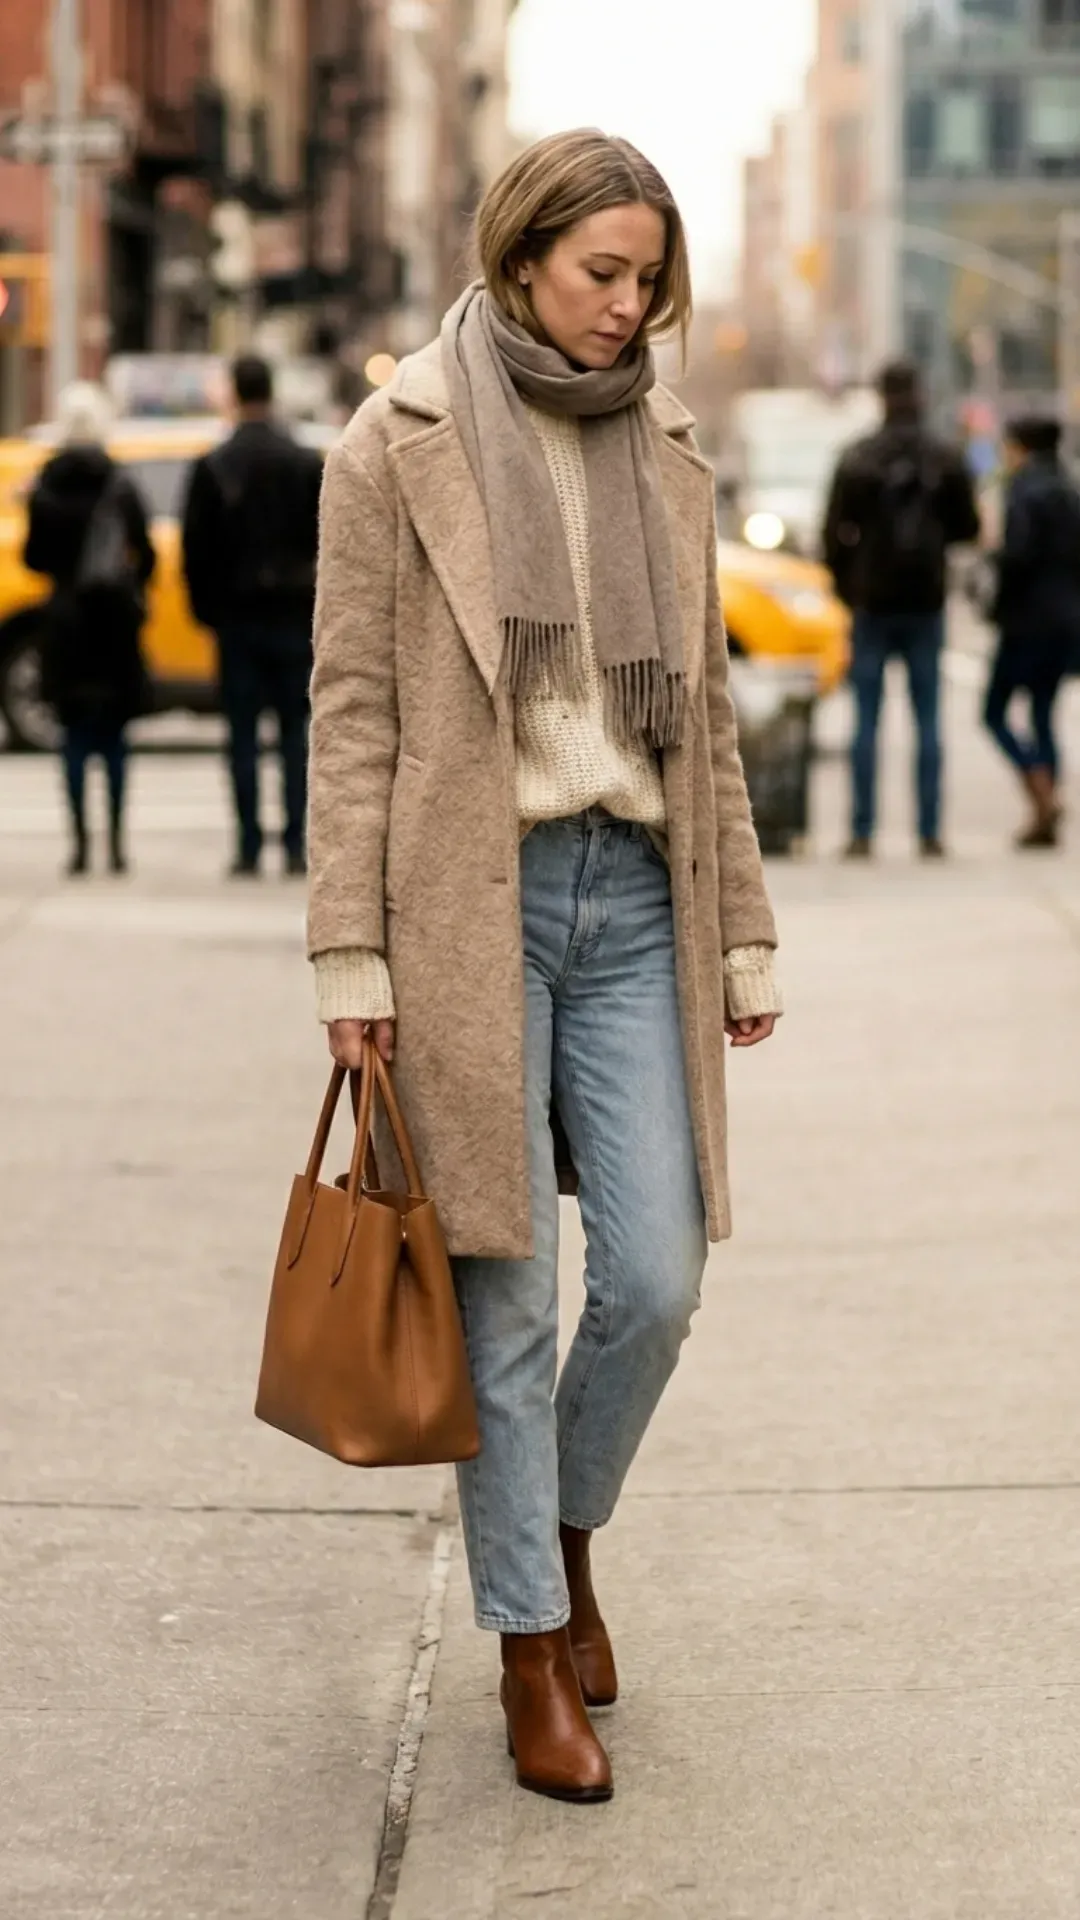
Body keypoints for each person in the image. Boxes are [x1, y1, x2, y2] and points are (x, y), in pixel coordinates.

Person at [306, 129, 781, 1803]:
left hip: (635, 893)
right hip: (471, 906)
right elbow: (352, 711)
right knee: (505, 1297)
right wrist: (349, 954)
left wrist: (740, 922)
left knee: (655, 1280)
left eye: (650, 279)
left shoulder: (662, 438)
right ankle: (528, 1648)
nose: (628, 307)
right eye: (602, 274)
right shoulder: (395, 443)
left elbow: (705, 701)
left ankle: (565, 1539)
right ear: (519, 260)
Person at [822, 360, 980, 859]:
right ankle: (929, 831)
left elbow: (833, 533)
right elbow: (968, 528)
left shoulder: (858, 456)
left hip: (872, 603)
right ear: (921, 394)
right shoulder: (945, 456)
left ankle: (862, 830)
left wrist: (849, 586)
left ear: (880, 395)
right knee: (928, 718)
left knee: (865, 720)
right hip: (925, 601)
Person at [181, 355, 323, 877]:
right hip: (293, 616)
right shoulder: (304, 461)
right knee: (294, 734)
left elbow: (195, 549)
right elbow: (328, 541)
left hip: (238, 617)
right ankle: (292, 843)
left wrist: (207, 612)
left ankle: (246, 844)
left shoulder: (215, 464)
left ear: (236, 395)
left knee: (241, 735)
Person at [24, 382, 154, 877]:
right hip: (114, 624)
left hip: (65, 624)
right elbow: (146, 552)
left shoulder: (45, 485)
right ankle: (117, 844)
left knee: (74, 737)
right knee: (115, 738)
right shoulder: (119, 483)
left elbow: (33, 556)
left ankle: (79, 845)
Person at [983, 416, 1080, 848]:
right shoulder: (1069, 490)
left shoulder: (1023, 491)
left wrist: (995, 599)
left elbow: (1017, 558)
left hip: (1025, 622)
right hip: (1065, 621)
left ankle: (1040, 791)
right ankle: (1047, 809)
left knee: (994, 712)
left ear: (1021, 448)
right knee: (1043, 714)